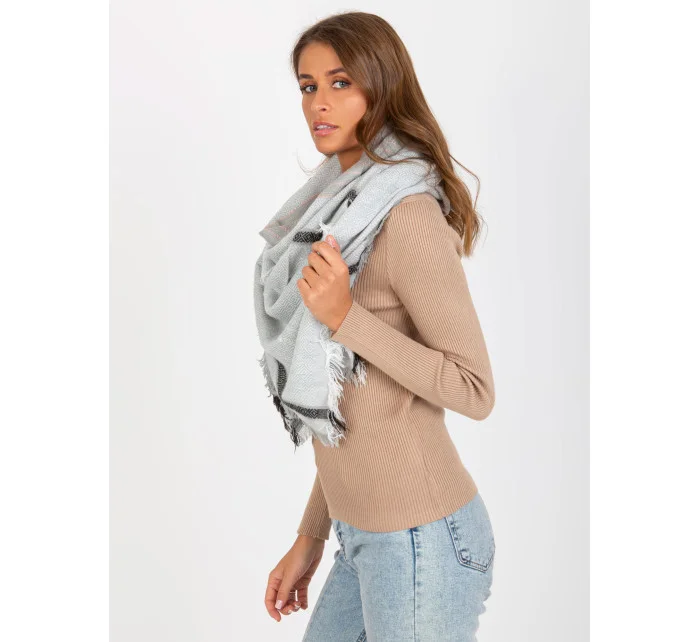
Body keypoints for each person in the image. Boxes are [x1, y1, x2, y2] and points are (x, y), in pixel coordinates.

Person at [261, 11, 496, 641]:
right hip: (362, 536)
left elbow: (475, 389)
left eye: (340, 83)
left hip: (423, 540)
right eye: (308, 86)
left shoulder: (406, 214)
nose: (319, 103)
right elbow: (354, 412)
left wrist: (346, 319)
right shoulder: (335, 211)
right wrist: (311, 535)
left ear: (382, 87)